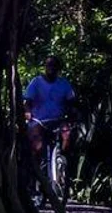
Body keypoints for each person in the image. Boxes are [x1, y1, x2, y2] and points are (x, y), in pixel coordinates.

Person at [23, 55, 78, 199]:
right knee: (38, 147)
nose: (51, 69)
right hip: (39, 121)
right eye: (49, 66)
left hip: (58, 120)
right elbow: (27, 101)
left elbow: (71, 102)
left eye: (54, 67)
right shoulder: (36, 83)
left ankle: (62, 161)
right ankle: (33, 181)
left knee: (67, 134)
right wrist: (28, 112)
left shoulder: (63, 84)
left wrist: (72, 113)